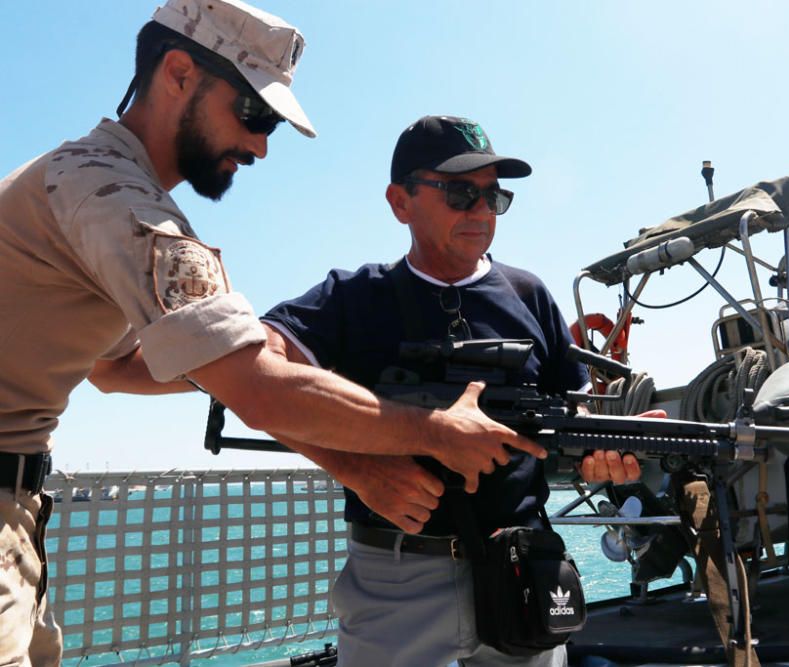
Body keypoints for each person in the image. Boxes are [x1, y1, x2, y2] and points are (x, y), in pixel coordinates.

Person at [0, 5, 543, 665]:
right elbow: (256, 386)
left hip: (21, 509)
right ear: (179, 73)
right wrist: (431, 428)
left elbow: (120, 367)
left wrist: (305, 389)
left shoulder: (85, 188)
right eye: (254, 115)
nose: (259, 147)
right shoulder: (114, 198)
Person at [263, 115, 642, 667]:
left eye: (494, 196)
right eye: (461, 192)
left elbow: (571, 414)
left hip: (521, 570)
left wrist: (602, 449)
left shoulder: (529, 294)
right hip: (397, 579)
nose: (482, 211)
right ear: (401, 202)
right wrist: (358, 470)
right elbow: (248, 377)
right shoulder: (354, 298)